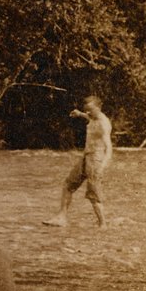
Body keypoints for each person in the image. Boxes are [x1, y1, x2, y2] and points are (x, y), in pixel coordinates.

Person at [44, 95, 112, 227]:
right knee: (68, 185)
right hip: (86, 157)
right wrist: (80, 114)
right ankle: (61, 218)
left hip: (96, 159)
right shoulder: (92, 116)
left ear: (99, 107)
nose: (88, 113)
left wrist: (103, 165)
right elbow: (89, 116)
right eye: (86, 110)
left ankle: (103, 225)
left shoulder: (104, 124)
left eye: (90, 110)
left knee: (94, 193)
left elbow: (108, 147)